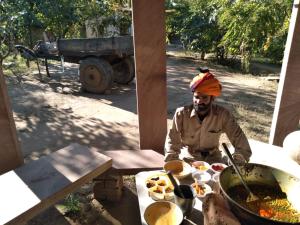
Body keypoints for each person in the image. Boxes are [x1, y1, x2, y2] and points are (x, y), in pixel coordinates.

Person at [164, 68, 252, 164]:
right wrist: (172, 161)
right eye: (196, 97)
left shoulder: (223, 115)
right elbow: (172, 142)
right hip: (188, 159)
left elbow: (241, 142)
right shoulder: (181, 114)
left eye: (204, 97)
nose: (199, 101)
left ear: (212, 98)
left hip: (214, 160)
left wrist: (237, 162)